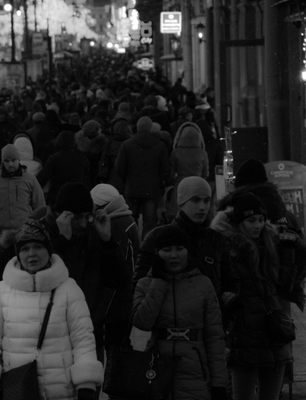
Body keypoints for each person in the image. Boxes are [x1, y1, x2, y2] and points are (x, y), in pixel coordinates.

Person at [0, 219, 103, 400]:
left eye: (38, 246)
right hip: (18, 391)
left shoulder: (69, 289)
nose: (31, 254)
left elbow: (83, 339)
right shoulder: (2, 291)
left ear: (48, 250)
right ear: (17, 253)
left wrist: (86, 385)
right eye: (25, 248)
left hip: (62, 392)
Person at [210, 193, 306, 400]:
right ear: (239, 222)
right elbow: (223, 286)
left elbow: (284, 286)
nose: (258, 225)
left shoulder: (271, 243)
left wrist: (289, 252)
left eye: (261, 220)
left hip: (274, 334)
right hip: (246, 335)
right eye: (251, 220)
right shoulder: (230, 248)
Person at [132, 225, 227, 400]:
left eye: (179, 249)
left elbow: (215, 336)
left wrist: (219, 383)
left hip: (195, 371)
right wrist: (159, 282)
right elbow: (142, 322)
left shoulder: (203, 284)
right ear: (157, 252)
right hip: (157, 368)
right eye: (167, 250)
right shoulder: (146, 284)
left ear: (188, 250)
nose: (174, 255)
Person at [134, 177, 240, 310]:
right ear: (182, 202)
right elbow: (139, 286)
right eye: (195, 200)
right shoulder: (157, 237)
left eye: (206, 200)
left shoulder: (217, 240)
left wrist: (224, 310)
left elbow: (230, 283)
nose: (202, 207)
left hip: (210, 324)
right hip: (169, 324)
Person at [90, 183, 139, 352]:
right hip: (127, 297)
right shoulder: (127, 219)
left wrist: (103, 309)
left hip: (117, 301)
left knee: (115, 351)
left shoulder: (115, 225)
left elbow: (118, 268)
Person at [115, 116, 170, 239]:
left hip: (132, 188)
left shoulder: (127, 144)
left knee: (131, 220)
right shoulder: (159, 146)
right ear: (150, 128)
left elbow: (119, 167)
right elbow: (165, 169)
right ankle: (147, 248)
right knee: (149, 222)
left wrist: (126, 179)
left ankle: (132, 245)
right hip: (151, 189)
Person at [0, 144, 45, 239]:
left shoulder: (30, 179)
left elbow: (39, 205)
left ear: (18, 160)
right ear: (2, 162)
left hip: (25, 229)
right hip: (1, 231)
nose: (10, 164)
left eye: (13, 160)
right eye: (7, 161)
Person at [37, 131, 91, 207]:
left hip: (58, 196)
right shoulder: (82, 158)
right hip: (78, 196)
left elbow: (43, 177)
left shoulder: (53, 159)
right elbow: (88, 179)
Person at [167, 122, 209, 220]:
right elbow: (206, 174)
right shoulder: (202, 153)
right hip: (197, 185)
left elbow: (171, 174)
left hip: (180, 185)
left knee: (178, 214)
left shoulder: (176, 152)